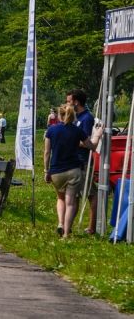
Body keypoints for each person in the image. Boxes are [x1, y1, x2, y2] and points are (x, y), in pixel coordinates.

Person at [44, 103, 88, 238]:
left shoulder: (51, 130)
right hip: (73, 170)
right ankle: (66, 233)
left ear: (59, 115)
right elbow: (91, 146)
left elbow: (46, 152)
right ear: (72, 115)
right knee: (71, 202)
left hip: (57, 171)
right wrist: (97, 135)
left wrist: (46, 171)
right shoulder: (77, 130)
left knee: (60, 198)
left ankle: (60, 223)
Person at [66, 89, 97, 234]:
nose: (67, 104)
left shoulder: (87, 118)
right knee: (74, 195)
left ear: (76, 102)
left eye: (69, 101)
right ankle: (68, 227)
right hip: (73, 161)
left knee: (90, 193)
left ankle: (92, 227)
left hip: (84, 161)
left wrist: (71, 139)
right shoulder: (75, 117)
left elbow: (87, 142)